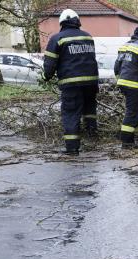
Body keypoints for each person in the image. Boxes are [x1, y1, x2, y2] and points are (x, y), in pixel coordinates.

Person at [42, 9, 99, 155]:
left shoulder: (58, 38)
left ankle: (72, 147)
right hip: (91, 83)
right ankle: (93, 137)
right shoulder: (88, 37)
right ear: (77, 21)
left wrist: (46, 77)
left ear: (61, 23)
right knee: (89, 110)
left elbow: (49, 64)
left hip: (71, 84)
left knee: (71, 113)